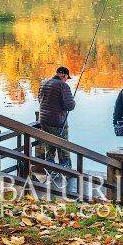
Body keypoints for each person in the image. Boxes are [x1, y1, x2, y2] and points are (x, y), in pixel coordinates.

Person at [37, 65, 76, 194]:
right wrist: (72, 102)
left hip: (44, 120)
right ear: (63, 75)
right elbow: (70, 106)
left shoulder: (44, 83)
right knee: (63, 146)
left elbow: (40, 100)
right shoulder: (63, 86)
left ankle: (50, 170)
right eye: (66, 78)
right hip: (58, 121)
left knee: (49, 145)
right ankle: (67, 172)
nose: (66, 80)